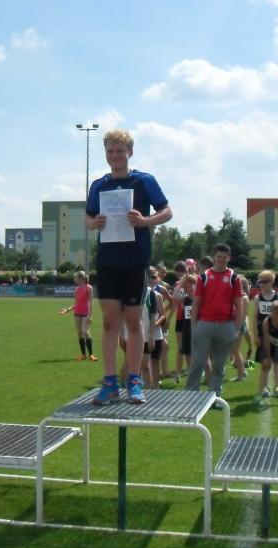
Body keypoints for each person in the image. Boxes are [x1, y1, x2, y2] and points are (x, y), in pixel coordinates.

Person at [85, 128, 173, 405]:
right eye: (110, 151)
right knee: (110, 322)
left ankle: (134, 380)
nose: (115, 155)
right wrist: (94, 223)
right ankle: (110, 382)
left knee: (134, 321)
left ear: (130, 152)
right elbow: (88, 219)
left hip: (135, 261)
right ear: (106, 153)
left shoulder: (144, 181)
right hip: (108, 261)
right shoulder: (99, 185)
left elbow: (167, 211)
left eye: (120, 151)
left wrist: (146, 221)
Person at [184, 243, 243, 397]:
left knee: (219, 365)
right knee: (197, 362)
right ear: (214, 257)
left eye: (224, 257)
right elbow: (196, 303)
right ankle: (191, 394)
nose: (221, 260)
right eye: (219, 257)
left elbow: (239, 304)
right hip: (205, 324)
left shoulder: (234, 278)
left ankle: (215, 396)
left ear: (229, 258)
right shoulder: (203, 277)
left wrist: (236, 328)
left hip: (226, 325)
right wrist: (194, 327)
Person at [254, 270, 278, 398]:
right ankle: (265, 387)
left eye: (264, 282)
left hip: (276, 336)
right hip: (263, 335)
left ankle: (277, 387)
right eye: (260, 282)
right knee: (265, 362)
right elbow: (255, 317)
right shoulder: (257, 298)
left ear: (271, 282)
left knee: (277, 362)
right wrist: (256, 335)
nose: (261, 284)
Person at [59, 270, 97, 361]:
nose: (74, 279)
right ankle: (83, 355)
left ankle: (91, 355)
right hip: (77, 313)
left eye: (75, 277)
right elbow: (76, 303)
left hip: (85, 313)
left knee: (86, 332)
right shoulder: (76, 289)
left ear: (81, 278)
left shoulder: (89, 288)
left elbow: (91, 302)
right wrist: (67, 310)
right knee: (80, 332)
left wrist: (90, 316)